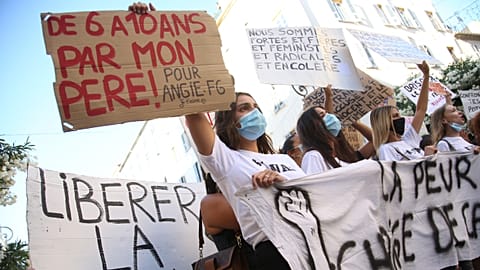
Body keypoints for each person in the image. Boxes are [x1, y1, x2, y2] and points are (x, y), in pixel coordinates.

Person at [186, 92, 306, 270]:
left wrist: (282, 183)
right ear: (229, 120)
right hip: (277, 253)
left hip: (313, 243)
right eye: (244, 108)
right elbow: (193, 113)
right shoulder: (228, 162)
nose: (254, 112)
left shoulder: (285, 160)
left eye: (255, 107)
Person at [370, 61, 435, 161]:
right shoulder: (386, 150)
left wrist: (426, 76)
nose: (400, 118)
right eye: (395, 116)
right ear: (384, 122)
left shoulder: (408, 139)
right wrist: (426, 158)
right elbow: (399, 174)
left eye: (399, 115)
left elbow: (421, 110)